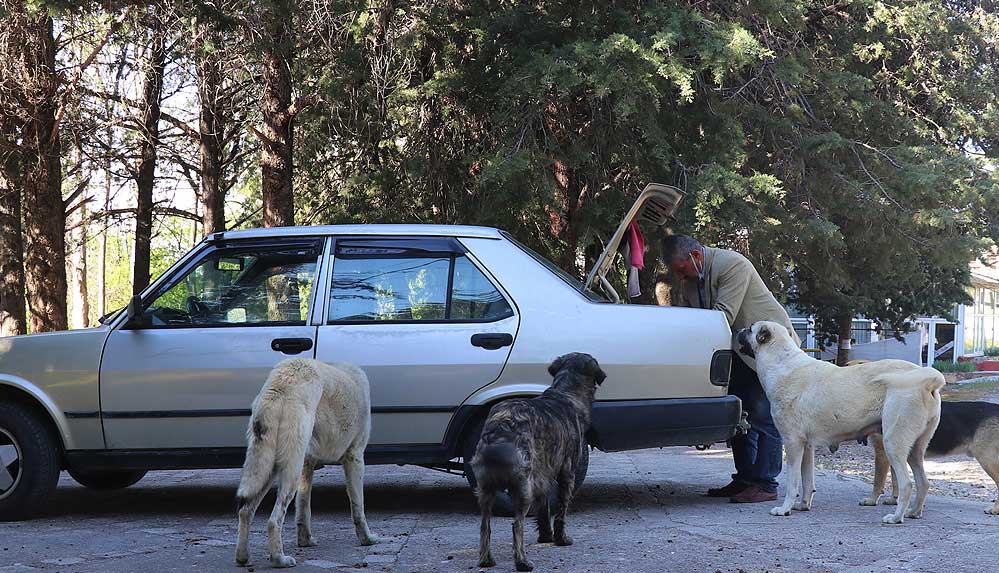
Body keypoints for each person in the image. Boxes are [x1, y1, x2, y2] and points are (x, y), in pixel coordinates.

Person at [662, 234, 801, 503]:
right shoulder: (691, 282)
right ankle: (745, 479)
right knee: (739, 416)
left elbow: (722, 317)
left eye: (682, 269)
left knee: (764, 416)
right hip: (736, 354)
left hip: (768, 352)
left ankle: (766, 483)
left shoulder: (733, 264)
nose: (680, 277)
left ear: (696, 256)